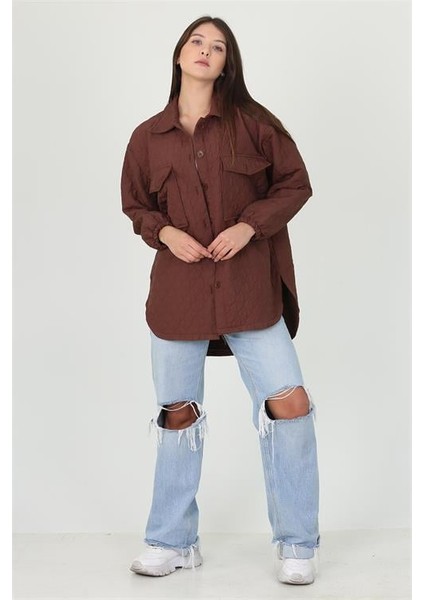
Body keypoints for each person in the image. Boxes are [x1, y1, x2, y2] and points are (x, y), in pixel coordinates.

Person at [120, 15, 320, 585]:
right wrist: (164, 232)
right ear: (179, 54)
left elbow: (296, 183)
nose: (205, 51)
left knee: (289, 403)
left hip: (248, 288)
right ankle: (172, 542)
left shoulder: (255, 126)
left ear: (228, 64)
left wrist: (249, 225)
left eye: (218, 46)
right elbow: (135, 204)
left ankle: (297, 543)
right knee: (177, 415)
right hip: (179, 294)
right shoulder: (147, 137)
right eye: (196, 41)